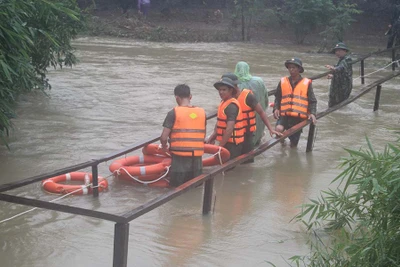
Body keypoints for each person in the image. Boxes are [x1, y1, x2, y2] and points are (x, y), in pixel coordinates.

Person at [220, 73, 282, 163]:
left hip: (246, 134)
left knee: (246, 162)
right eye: (221, 89)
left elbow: (261, 112)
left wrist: (270, 129)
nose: (221, 91)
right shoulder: (226, 98)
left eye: (224, 88)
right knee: (231, 163)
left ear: (232, 86)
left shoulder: (247, 96)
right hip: (232, 137)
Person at [160, 84, 206, 187]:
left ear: (176, 98)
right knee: (196, 188)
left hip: (180, 160)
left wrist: (164, 147)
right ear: (190, 96)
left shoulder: (173, 113)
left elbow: (164, 137)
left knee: (177, 189)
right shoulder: (201, 112)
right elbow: (203, 133)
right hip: (197, 158)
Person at [273, 57, 317, 147]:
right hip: (284, 114)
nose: (291, 70)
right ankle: (282, 144)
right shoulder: (283, 81)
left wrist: (312, 113)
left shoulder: (306, 83)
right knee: (278, 129)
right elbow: (278, 97)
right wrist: (276, 108)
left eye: (294, 68)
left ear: (299, 69)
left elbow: (312, 100)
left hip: (298, 117)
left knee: (293, 144)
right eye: (289, 67)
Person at [206, 76, 245, 160]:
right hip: (226, 142)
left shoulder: (231, 106)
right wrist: (211, 138)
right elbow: (219, 123)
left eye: (224, 90)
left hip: (233, 145)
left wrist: (219, 147)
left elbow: (229, 129)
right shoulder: (223, 103)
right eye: (219, 90)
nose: (221, 92)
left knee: (228, 168)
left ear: (230, 90)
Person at [234, 61, 269, 146]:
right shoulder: (259, 81)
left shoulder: (235, 85)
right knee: (257, 134)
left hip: (245, 118)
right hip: (259, 112)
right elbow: (266, 98)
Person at [325, 42, 353, 108]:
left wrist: (334, 69)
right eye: (336, 51)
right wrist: (333, 76)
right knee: (333, 105)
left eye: (339, 51)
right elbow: (342, 73)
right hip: (337, 87)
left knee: (340, 106)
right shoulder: (341, 60)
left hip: (342, 89)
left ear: (345, 51)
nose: (337, 52)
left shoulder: (347, 59)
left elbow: (341, 67)